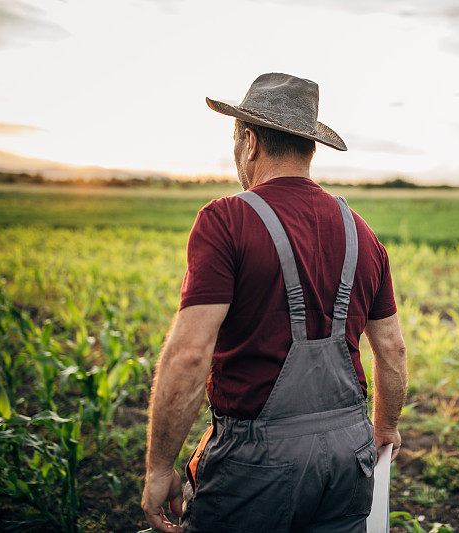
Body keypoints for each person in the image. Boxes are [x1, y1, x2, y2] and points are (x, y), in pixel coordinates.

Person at [141, 72, 408, 532]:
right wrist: (384, 428)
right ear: (309, 148)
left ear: (249, 142)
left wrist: (159, 468)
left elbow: (188, 356)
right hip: (351, 457)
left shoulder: (225, 220)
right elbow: (393, 351)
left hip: (255, 467)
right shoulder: (363, 233)